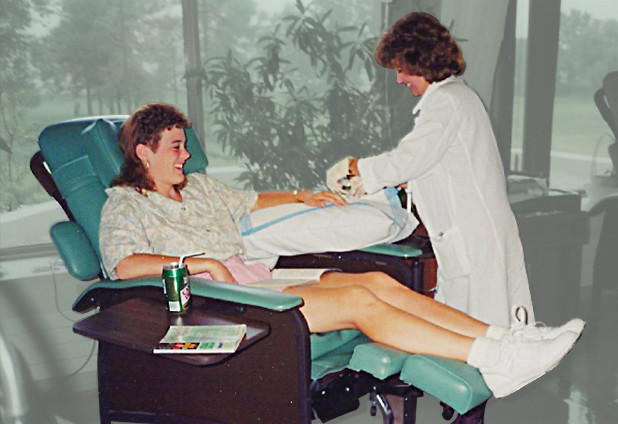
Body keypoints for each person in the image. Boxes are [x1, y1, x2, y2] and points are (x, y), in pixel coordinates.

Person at [99, 103, 584, 399]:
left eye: (185, 147)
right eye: (176, 148)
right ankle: (493, 360)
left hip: (252, 280)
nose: (185, 156)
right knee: (359, 304)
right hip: (214, 302)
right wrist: (193, 262)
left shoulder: (198, 187)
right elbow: (123, 265)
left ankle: (509, 339)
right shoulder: (125, 203)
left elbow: (249, 201)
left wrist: (300, 196)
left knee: (376, 283)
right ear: (144, 152)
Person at [327, 12, 537, 326]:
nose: (399, 79)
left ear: (420, 61)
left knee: (479, 330)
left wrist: (355, 167)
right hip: (477, 234)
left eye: (401, 69)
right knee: (480, 328)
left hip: (474, 238)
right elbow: (436, 167)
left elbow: (410, 158)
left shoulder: (447, 103)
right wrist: (395, 186)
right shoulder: (457, 97)